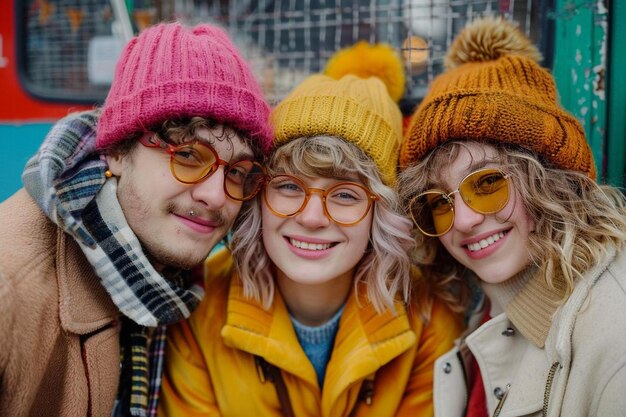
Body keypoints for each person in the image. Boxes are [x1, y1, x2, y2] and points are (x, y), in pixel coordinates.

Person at [158, 41, 462, 417]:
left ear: (380, 214)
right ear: (258, 198)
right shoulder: (198, 305)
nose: (313, 217)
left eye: (346, 195)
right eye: (288, 187)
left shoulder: (428, 317)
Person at [0, 22, 272, 417]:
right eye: (188, 156)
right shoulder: (9, 293)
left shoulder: (169, 282)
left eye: (237, 171)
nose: (215, 196)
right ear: (116, 152)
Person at [398, 16, 626, 417]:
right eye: (438, 202)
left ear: (548, 179)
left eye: (486, 184)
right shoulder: (482, 310)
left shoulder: (614, 336)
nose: (464, 221)